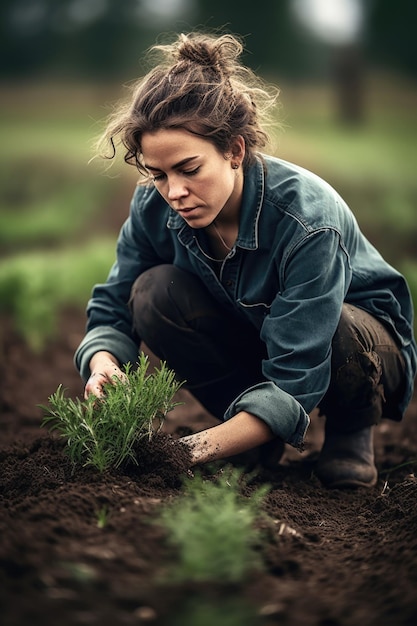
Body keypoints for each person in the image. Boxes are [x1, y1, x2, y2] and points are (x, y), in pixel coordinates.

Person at [74, 32, 416, 489]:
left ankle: (351, 429)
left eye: (189, 169)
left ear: (234, 151)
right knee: (152, 293)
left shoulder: (307, 220)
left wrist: (184, 451)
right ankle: (252, 434)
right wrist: (103, 365)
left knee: (337, 326)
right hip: (258, 333)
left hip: (360, 344)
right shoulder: (154, 207)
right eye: (158, 175)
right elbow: (114, 305)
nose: (174, 192)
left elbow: (297, 373)